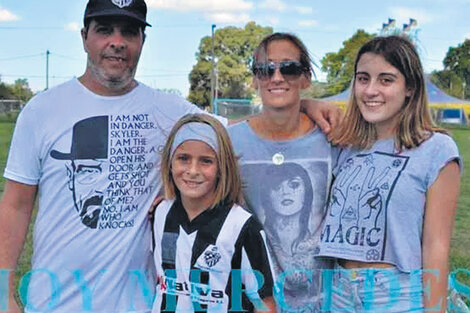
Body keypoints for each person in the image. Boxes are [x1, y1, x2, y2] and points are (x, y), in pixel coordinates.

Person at [0, 1, 339, 312]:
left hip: (140, 302)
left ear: (142, 41)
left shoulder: (167, 110)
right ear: (84, 36)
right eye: (105, 29)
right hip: (55, 302)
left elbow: (239, 130)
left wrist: (301, 103)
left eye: (129, 31)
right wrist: (4, 292)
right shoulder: (42, 110)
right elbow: (15, 205)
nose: (117, 41)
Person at [317, 35, 461, 313]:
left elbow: (436, 246)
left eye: (386, 80)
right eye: (363, 78)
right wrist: (308, 104)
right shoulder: (345, 146)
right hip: (339, 295)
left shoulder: (436, 148)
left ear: (410, 88)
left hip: (398, 297)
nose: (371, 90)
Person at [229, 32, 334, 313]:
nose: (276, 77)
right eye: (265, 69)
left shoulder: (332, 137)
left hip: (325, 302)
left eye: (288, 68)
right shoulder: (229, 141)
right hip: (257, 302)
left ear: (306, 77)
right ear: (254, 79)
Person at [152, 113, 275, 313]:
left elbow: (264, 303)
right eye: (183, 158)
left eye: (206, 161)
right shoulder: (160, 213)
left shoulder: (242, 226)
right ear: (169, 162)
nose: (193, 170)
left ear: (221, 167)